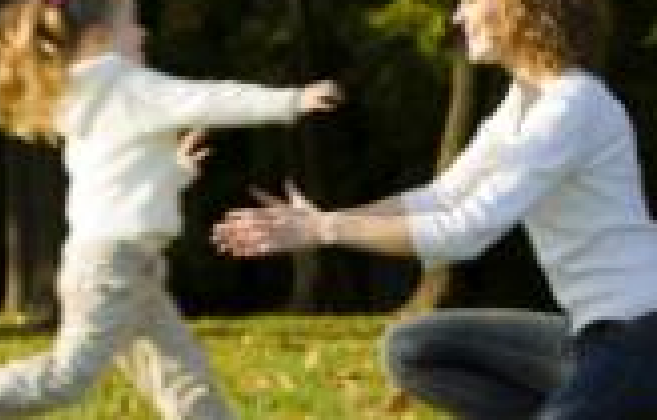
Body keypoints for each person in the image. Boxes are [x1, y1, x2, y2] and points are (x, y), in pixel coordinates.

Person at [212, 0, 657, 418]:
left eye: (470, 0)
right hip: (589, 338)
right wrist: (318, 221)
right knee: (413, 349)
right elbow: (444, 196)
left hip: (639, 334)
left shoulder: (573, 106)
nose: (458, 16)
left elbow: (465, 232)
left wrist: (325, 229)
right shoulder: (523, 103)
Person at [0, 0, 340, 418]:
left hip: (125, 267)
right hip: (112, 269)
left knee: (184, 379)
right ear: (98, 37)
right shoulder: (125, 84)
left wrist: (174, 170)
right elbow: (208, 98)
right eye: (132, 23)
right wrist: (292, 100)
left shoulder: (86, 92)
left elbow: (115, 180)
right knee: (67, 378)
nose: (143, 32)